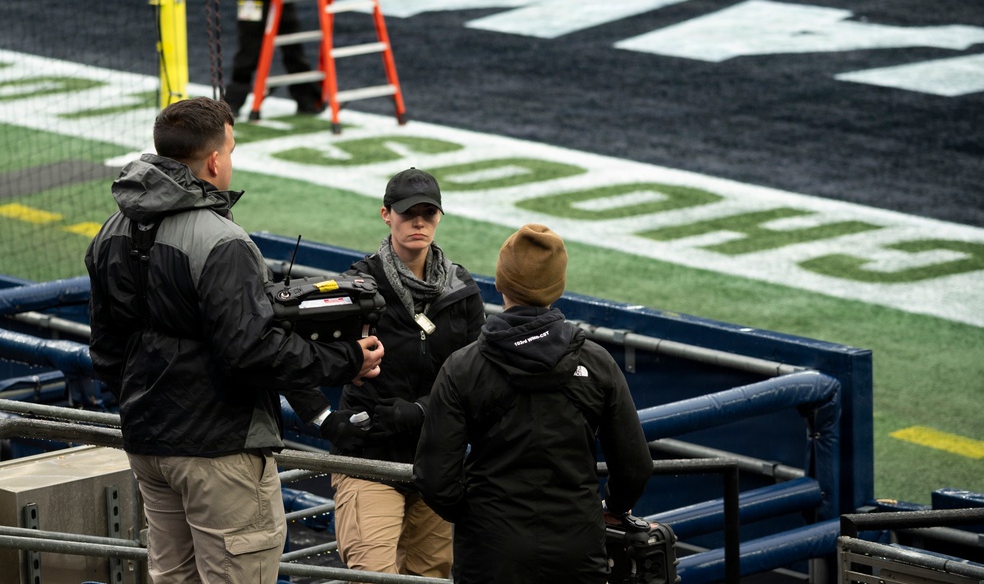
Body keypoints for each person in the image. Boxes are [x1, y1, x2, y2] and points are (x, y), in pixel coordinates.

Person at [85, 96, 383, 584]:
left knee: (172, 576)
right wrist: (345, 357)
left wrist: (146, 403)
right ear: (215, 160)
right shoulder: (221, 240)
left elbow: (106, 351)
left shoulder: (111, 231)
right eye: (232, 148)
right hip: (218, 450)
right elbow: (252, 352)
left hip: (147, 442)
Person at [412, 224, 654, 584]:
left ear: (500, 283)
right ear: (557, 287)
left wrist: (479, 516)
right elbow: (634, 466)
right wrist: (613, 509)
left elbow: (435, 478)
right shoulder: (598, 362)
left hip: (489, 551)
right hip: (577, 547)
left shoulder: (464, 366)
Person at [287, 167, 485, 578]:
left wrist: (421, 411)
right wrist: (325, 420)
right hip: (369, 460)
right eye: (408, 212)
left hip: (437, 464)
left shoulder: (462, 290)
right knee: (372, 575)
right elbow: (289, 356)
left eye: (428, 214)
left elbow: (477, 381)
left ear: (439, 218)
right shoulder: (357, 287)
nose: (418, 222)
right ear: (386, 215)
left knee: (431, 576)